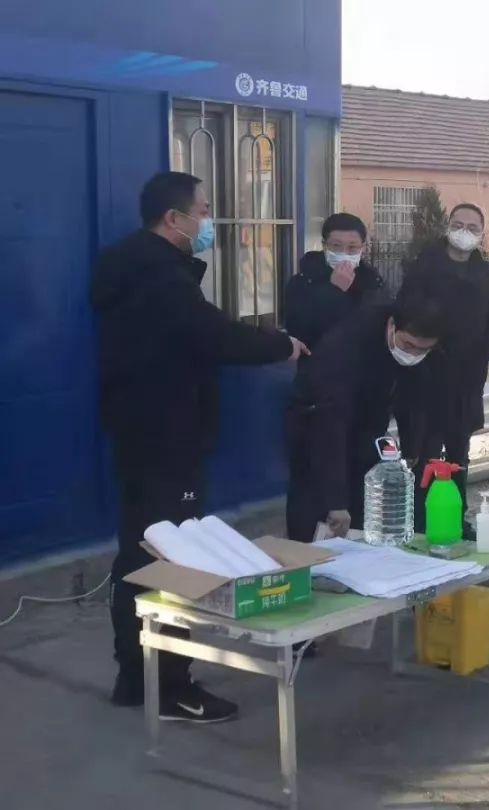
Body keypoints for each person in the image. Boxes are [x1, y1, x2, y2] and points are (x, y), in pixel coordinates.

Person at [91, 171, 306, 723]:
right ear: (175, 218)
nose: (208, 222)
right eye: (204, 211)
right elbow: (214, 336)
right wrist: (280, 345)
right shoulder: (162, 278)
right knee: (173, 556)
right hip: (168, 435)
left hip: (137, 431)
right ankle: (169, 686)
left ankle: (135, 678)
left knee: (139, 551)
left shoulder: (128, 267)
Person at [285, 274, 451, 543]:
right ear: (392, 325)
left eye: (423, 350)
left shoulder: (423, 355)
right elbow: (330, 424)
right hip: (316, 428)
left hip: (367, 429)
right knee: (319, 518)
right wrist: (336, 501)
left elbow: (416, 402)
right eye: (408, 345)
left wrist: (412, 452)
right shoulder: (347, 347)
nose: (413, 354)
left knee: (363, 520)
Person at [399, 203, 489, 537]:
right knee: (426, 450)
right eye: (458, 224)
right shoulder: (425, 267)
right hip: (428, 375)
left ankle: (456, 518)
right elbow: (406, 309)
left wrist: (488, 348)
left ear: (481, 233)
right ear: (447, 227)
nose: (464, 232)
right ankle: (421, 520)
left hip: (468, 378)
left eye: (473, 227)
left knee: (459, 452)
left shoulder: (484, 273)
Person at [284, 212, 386, 352]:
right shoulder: (302, 281)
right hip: (317, 362)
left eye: (352, 247)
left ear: (362, 248)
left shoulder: (373, 281)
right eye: (336, 246)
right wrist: (334, 291)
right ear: (324, 245)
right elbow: (298, 332)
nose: (344, 253)